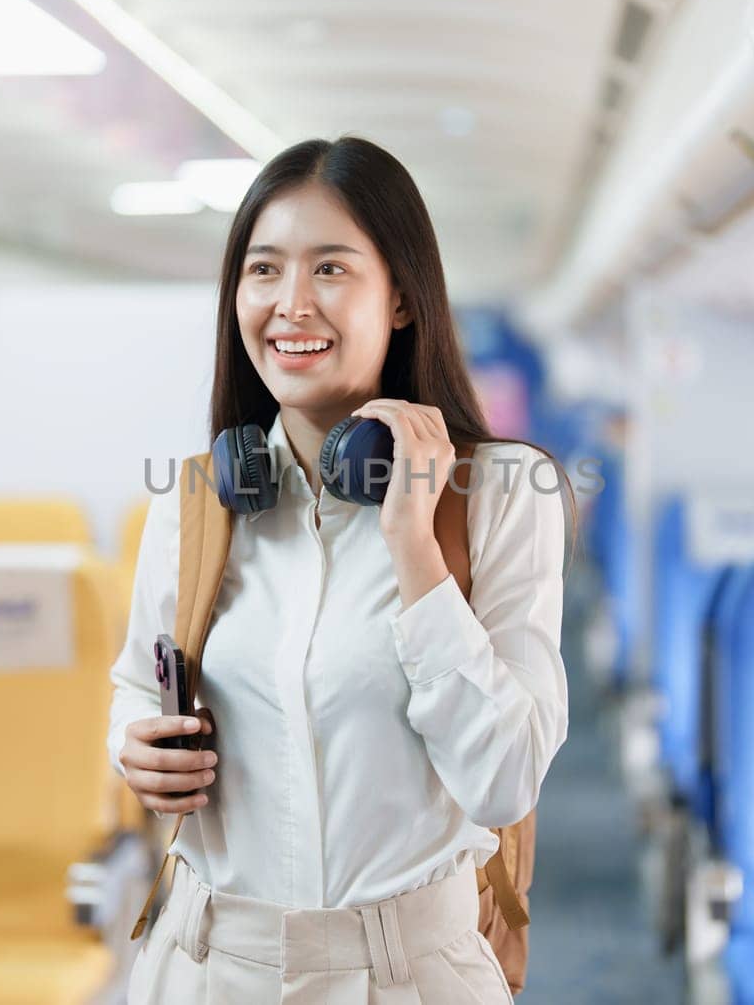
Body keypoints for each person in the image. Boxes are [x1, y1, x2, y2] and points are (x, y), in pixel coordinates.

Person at [108, 135, 569, 1001]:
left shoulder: (504, 491)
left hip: (406, 972)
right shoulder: (199, 502)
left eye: (330, 269)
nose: (290, 304)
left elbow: (504, 779)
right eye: (264, 270)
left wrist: (414, 547)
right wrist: (132, 746)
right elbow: (136, 683)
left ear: (400, 297)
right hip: (205, 965)